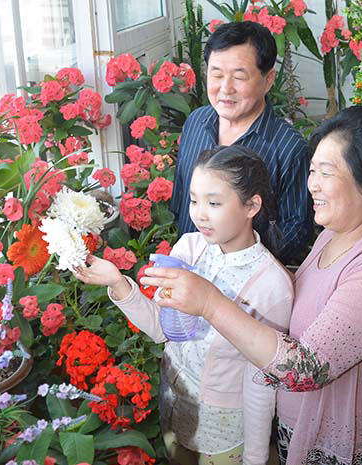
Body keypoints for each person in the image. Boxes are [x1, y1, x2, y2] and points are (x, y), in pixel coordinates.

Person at [141, 106, 362, 465]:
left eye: (327, 173)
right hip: (304, 434)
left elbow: (305, 368)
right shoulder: (335, 234)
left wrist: (210, 303)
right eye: (312, 171)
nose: (313, 185)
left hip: (355, 449)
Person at [74, 145, 294, 465]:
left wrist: (255, 458)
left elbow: (261, 382)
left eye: (214, 202)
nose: (200, 213)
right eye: (193, 200)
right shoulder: (189, 248)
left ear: (252, 205)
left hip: (225, 436)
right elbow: (164, 330)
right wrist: (117, 282)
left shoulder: (271, 285)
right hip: (174, 413)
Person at [170, 21, 312, 264]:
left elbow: (295, 235)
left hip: (248, 289)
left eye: (239, 76)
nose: (225, 88)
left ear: (268, 80)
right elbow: (182, 203)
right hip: (189, 270)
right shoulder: (196, 123)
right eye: (216, 74)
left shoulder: (289, 149)